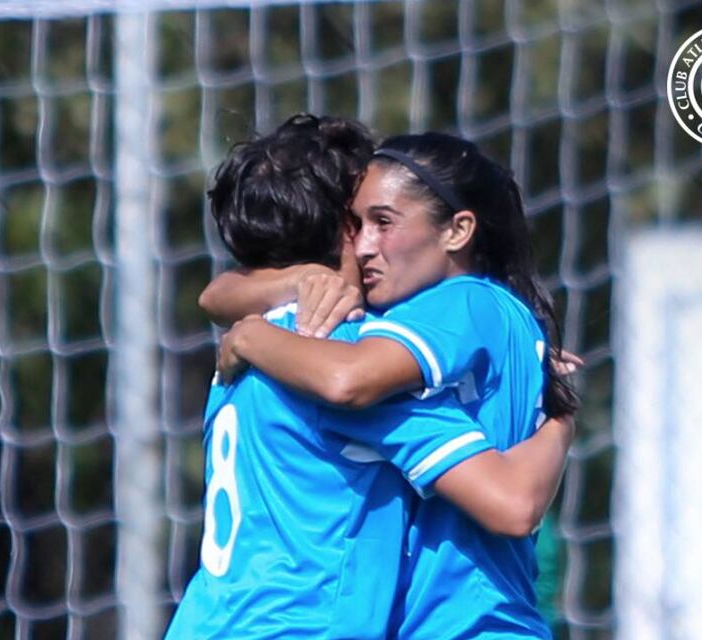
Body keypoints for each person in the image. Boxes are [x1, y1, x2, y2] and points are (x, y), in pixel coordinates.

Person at [167, 115, 576, 639]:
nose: (365, 245)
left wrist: (248, 333)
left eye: (382, 222)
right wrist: (562, 417)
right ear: (339, 229)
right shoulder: (327, 352)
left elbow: (224, 299)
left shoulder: (265, 352)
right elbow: (511, 502)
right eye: (360, 223)